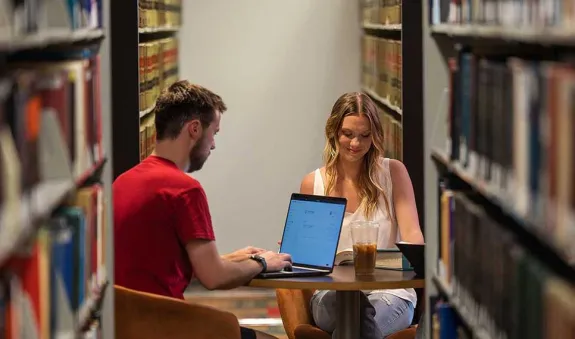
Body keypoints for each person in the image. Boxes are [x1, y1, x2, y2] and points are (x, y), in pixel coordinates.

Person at [113, 80, 292, 339]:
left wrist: (233, 259)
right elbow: (214, 278)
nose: (214, 145)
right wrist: (263, 263)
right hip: (165, 326)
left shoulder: (123, 181)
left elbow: (171, 265)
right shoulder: (184, 190)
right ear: (194, 129)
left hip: (126, 326)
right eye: (214, 133)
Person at [299, 92, 425, 339]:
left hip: (390, 292)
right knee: (355, 313)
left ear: (375, 136)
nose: (356, 144)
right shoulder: (314, 183)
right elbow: (308, 258)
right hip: (331, 294)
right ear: (334, 131)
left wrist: (397, 261)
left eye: (365, 135)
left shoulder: (393, 173)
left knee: (357, 321)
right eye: (348, 134)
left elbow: (413, 238)